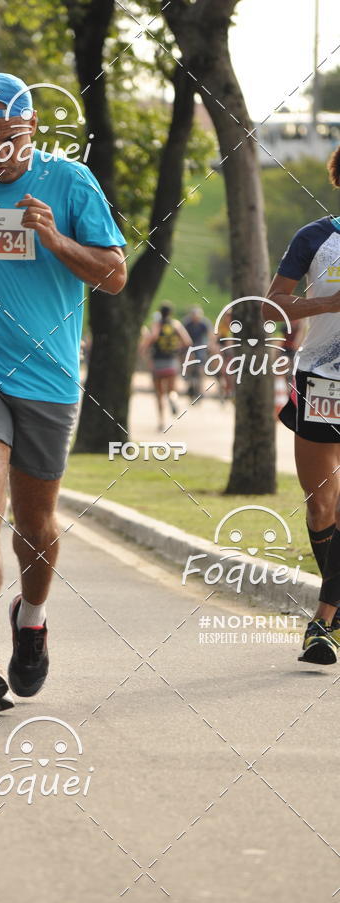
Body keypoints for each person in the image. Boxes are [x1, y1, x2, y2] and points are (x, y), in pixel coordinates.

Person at [0, 71, 127, 715]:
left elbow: (115, 276)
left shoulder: (71, 182)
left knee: (36, 525)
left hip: (48, 377)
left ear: (32, 127)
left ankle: (30, 618)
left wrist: (55, 239)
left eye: (7, 137)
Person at [266, 145, 340, 664]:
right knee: (321, 505)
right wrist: (327, 304)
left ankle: (323, 621)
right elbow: (270, 306)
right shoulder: (315, 237)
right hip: (321, 381)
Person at [142, 303, 191, 431]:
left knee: (159, 394)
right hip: (171, 361)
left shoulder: (156, 325)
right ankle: (173, 399)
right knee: (172, 389)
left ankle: (161, 420)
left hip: (158, 362)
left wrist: (143, 350)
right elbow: (187, 341)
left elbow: (152, 338)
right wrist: (177, 349)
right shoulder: (176, 325)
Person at [182, 306, 213, 400]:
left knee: (201, 367)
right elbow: (183, 336)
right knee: (187, 360)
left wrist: (209, 345)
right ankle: (188, 379)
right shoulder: (187, 323)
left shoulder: (204, 323)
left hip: (201, 346)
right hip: (189, 346)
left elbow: (210, 335)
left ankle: (200, 388)